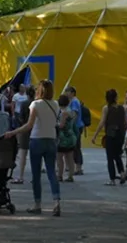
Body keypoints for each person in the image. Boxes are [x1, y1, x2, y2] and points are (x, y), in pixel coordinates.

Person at [5, 79, 61, 216]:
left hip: (37, 139)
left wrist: (13, 132)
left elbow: (29, 125)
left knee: (36, 175)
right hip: (51, 139)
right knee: (51, 172)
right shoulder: (56, 104)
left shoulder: (35, 104)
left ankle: (37, 204)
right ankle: (56, 202)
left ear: (39, 90)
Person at [92, 88, 127, 185]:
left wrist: (95, 135)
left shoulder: (106, 108)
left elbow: (102, 122)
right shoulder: (122, 108)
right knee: (117, 155)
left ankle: (112, 179)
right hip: (120, 134)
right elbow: (125, 121)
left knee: (110, 157)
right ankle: (122, 173)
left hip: (110, 134)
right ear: (116, 97)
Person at [12, 85, 35, 184]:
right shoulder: (37, 104)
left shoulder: (24, 104)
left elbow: (21, 117)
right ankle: (35, 177)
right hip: (35, 130)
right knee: (35, 155)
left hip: (25, 130)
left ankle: (20, 176)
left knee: (23, 154)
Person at [55, 94, 78, 183]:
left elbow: (61, 125)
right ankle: (70, 176)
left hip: (63, 138)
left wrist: (55, 124)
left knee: (59, 157)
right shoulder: (70, 111)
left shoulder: (64, 112)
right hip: (70, 136)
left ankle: (60, 175)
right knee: (69, 157)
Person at [67, 86, 85, 176]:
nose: (67, 93)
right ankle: (77, 166)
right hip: (78, 126)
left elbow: (75, 114)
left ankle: (78, 167)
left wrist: (70, 125)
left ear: (72, 93)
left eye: (68, 92)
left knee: (76, 147)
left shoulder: (74, 101)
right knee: (75, 147)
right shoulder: (74, 101)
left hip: (76, 127)